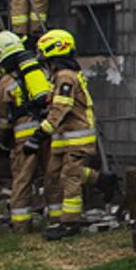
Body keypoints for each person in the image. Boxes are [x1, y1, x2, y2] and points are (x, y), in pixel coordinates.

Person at [30, 28, 100, 240]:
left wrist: (39, 134)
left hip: (76, 136)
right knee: (55, 175)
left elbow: (62, 108)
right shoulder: (60, 76)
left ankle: (70, 223)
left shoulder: (65, 76)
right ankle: (101, 180)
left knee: (70, 177)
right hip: (64, 136)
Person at [0, 31, 54, 233]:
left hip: (24, 137)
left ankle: (21, 224)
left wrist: (6, 137)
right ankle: (58, 218)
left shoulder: (5, 82)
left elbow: (2, 116)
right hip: (46, 130)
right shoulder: (39, 72)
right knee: (52, 175)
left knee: (22, 179)